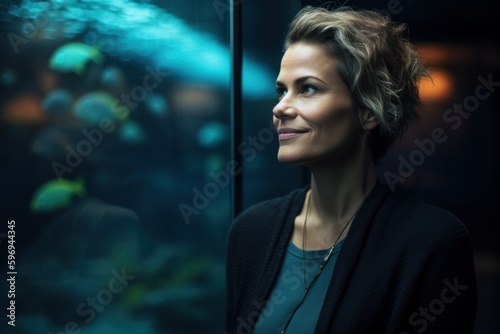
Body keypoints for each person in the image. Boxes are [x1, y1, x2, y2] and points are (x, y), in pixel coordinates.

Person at [225, 5, 477, 334]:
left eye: (308, 88)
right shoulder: (250, 232)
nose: (280, 108)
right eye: (281, 90)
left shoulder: (431, 241)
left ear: (368, 110)